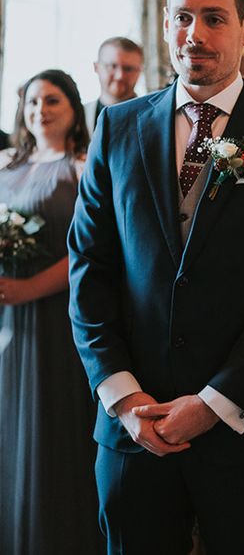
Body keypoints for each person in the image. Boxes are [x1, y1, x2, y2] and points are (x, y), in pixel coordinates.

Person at [68, 0, 244, 555]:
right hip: (134, 427)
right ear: (165, 24)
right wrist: (123, 396)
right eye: (183, 18)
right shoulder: (118, 127)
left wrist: (215, 403)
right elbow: (91, 270)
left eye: (214, 18)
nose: (196, 35)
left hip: (243, 427)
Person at [0, 70, 100, 554]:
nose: (41, 109)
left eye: (53, 100)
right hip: (7, 319)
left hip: (56, 316)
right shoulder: (5, 166)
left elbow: (91, 251)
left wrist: (29, 289)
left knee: (50, 431)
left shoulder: (82, 167)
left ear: (74, 108)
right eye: (33, 101)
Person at [85, 36, 144, 135]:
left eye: (128, 69)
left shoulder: (153, 116)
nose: (119, 76)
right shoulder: (76, 116)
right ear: (96, 67)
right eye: (112, 66)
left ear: (140, 71)